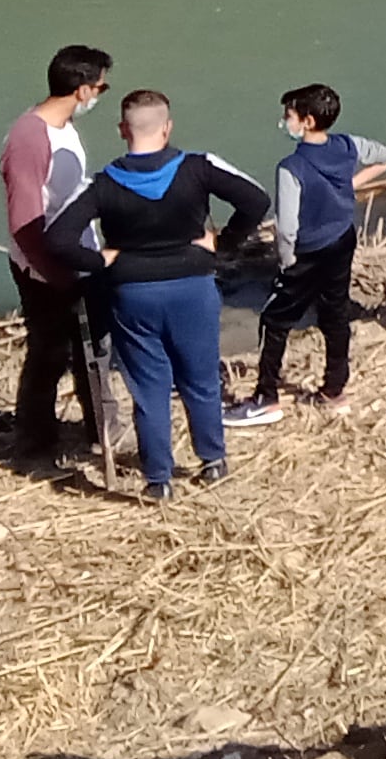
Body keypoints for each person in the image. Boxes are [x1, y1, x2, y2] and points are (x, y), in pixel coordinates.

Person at [35, 94, 271, 501]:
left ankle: (159, 480)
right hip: (193, 288)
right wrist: (223, 243)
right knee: (200, 380)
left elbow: (56, 238)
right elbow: (256, 199)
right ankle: (212, 461)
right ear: (167, 127)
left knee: (150, 388)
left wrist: (98, 260)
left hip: (132, 295)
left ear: (123, 130)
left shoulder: (103, 183)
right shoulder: (200, 167)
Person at [0, 43, 111, 466]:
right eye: (101, 86)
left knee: (89, 352)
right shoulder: (30, 138)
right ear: (83, 90)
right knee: (49, 355)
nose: (100, 95)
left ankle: (98, 431)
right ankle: (34, 444)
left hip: (76, 258)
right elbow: (24, 223)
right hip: (47, 270)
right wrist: (56, 275)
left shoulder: (62, 129)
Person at [256, 84, 386, 413]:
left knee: (274, 320)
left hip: (307, 251)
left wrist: (286, 262)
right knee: (334, 314)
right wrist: (350, 185)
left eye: (288, 116)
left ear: (305, 121)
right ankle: (335, 391)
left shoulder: (291, 167)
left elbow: (287, 227)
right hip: (342, 240)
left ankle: (266, 397)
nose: (284, 121)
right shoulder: (349, 146)